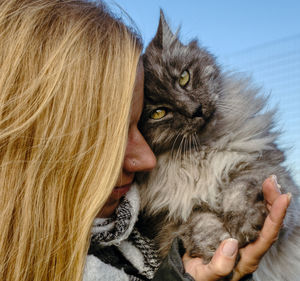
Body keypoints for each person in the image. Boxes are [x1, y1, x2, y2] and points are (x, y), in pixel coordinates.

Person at [0, 1, 290, 281]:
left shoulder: (129, 219)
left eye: (138, 125)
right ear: (33, 145)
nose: (147, 160)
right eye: (111, 136)